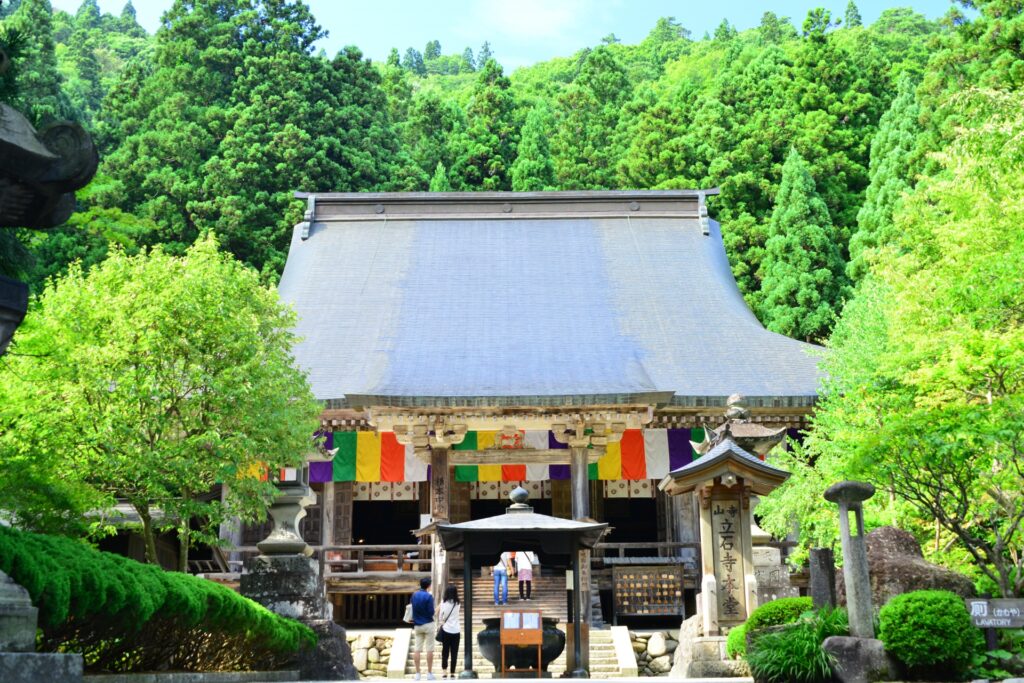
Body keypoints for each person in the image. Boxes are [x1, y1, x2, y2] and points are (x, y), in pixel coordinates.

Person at [410, 576, 436, 680]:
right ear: (429, 585)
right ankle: (429, 673)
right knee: (429, 649)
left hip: (417, 625)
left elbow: (412, 607)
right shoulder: (429, 596)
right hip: (428, 624)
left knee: (417, 649)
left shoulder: (414, 595)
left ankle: (417, 674)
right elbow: (431, 612)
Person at [437, 584, 461, 679]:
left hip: (446, 630)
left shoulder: (443, 602)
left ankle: (444, 672)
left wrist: (441, 622)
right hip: (456, 630)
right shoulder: (458, 603)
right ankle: (452, 673)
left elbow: (440, 616)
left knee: (445, 652)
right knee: (454, 653)